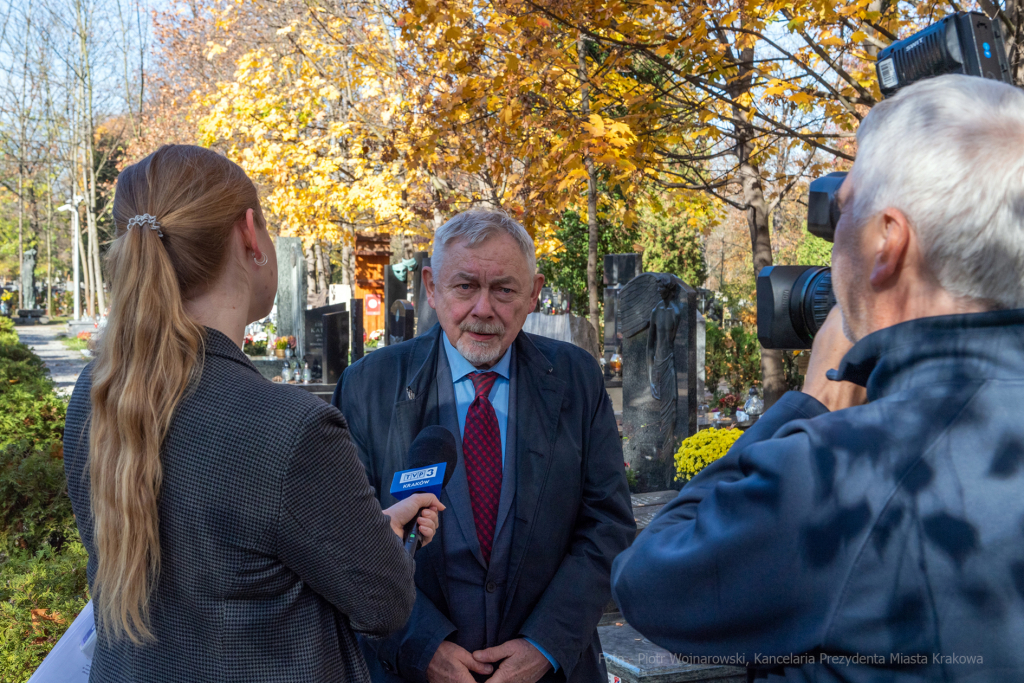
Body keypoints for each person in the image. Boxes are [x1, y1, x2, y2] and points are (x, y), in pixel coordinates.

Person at [611, 74, 1024, 681]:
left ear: (888, 242)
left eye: (842, 209)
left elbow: (648, 581)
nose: (830, 242)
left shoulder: (842, 474)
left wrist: (812, 402)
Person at [63, 144, 443, 682]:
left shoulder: (95, 392)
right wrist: (388, 546)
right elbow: (384, 604)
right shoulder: (291, 427)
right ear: (249, 235)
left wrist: (363, 532)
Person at [333, 209, 636, 683]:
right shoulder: (368, 386)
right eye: (465, 286)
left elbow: (607, 524)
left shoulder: (576, 379)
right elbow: (342, 542)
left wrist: (545, 645)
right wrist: (422, 647)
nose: (483, 309)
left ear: (533, 294)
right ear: (432, 288)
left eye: (504, 290)